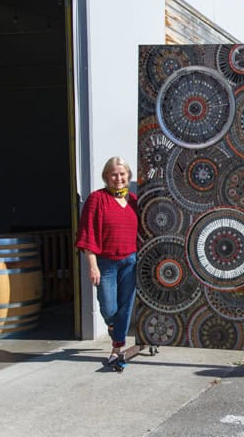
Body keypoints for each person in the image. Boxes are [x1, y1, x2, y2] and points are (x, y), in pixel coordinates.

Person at [76, 156, 138, 369]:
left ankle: (117, 348)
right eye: (114, 174)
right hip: (106, 263)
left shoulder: (133, 201)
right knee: (109, 307)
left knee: (126, 307)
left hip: (131, 261)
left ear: (128, 176)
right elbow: (88, 234)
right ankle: (114, 326)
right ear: (106, 176)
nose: (118, 178)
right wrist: (92, 265)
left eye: (122, 174)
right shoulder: (97, 199)